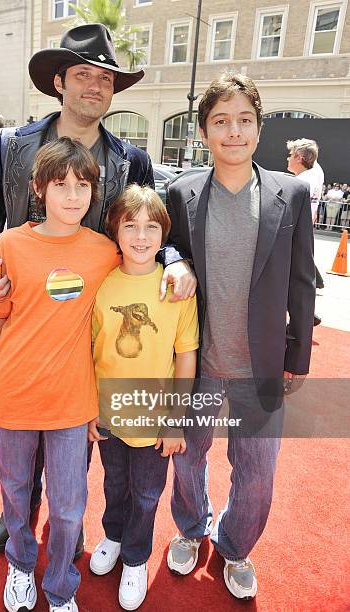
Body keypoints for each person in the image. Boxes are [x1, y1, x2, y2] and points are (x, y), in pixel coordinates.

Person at [0, 23, 195, 555]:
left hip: (93, 316)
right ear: (59, 81)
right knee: (20, 424)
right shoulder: (14, 147)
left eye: (106, 78)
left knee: (74, 428)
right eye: (83, 75)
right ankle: (20, 505)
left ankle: (67, 510)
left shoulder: (132, 160)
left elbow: (148, 224)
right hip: (23, 309)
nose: (96, 86)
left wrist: (175, 261)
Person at [161, 73, 315, 599]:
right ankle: (189, 528)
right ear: (204, 131)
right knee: (187, 457)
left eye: (244, 121)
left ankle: (235, 546)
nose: (233, 132)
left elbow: (301, 279)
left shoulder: (290, 193)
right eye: (221, 122)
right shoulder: (181, 192)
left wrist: (299, 356)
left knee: (257, 472)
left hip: (261, 363)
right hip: (196, 362)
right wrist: (175, 260)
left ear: (259, 128)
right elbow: (167, 249)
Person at [0, 138, 121, 612]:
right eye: (61, 185)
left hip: (73, 401)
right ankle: (20, 566)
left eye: (82, 185)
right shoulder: (11, 244)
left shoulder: (104, 252)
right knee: (16, 495)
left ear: (93, 192)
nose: (73, 195)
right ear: (40, 189)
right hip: (15, 391)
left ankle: (60, 587)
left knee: (68, 507)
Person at [89, 185, 198, 610]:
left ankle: (136, 557)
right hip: (108, 410)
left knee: (148, 493)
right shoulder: (101, 285)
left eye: (151, 227)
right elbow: (88, 351)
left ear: (163, 234)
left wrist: (176, 419)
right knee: (114, 482)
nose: (140, 236)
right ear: (114, 231)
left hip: (155, 417)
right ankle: (113, 536)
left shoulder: (177, 287)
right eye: (130, 226)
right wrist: (87, 409)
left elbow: (186, 355)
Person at [286, 138, 324, 322]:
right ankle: (307, 313)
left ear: (299, 157)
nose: (288, 158)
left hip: (292, 236)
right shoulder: (316, 176)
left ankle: (304, 315)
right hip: (304, 233)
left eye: (291, 155)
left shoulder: (300, 183)